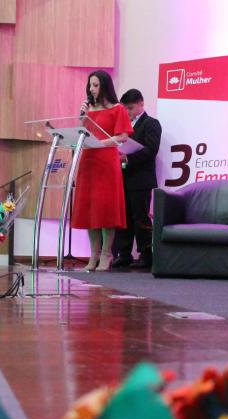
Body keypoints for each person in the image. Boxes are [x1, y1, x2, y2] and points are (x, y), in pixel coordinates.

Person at [72, 70, 133, 271]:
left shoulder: (118, 108)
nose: (91, 89)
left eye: (96, 85)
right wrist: (82, 116)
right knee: (90, 209)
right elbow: (82, 133)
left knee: (106, 209)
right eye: (90, 85)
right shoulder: (89, 109)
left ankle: (107, 254)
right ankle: (94, 255)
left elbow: (122, 136)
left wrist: (101, 143)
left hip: (107, 161)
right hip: (88, 161)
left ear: (105, 86)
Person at [112, 89, 162, 269]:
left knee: (140, 217)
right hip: (123, 178)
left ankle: (146, 254)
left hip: (141, 179)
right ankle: (124, 253)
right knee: (123, 218)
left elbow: (151, 150)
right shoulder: (123, 126)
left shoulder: (151, 123)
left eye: (130, 108)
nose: (127, 112)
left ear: (141, 104)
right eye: (124, 109)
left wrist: (128, 158)